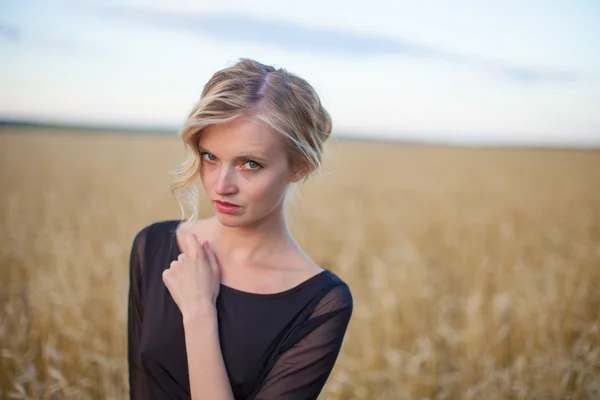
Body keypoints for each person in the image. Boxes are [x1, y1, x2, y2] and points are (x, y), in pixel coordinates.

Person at [127, 58, 353, 400]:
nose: (221, 185)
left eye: (250, 164)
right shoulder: (154, 246)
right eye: (210, 157)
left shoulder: (320, 303)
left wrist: (200, 312)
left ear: (299, 167)